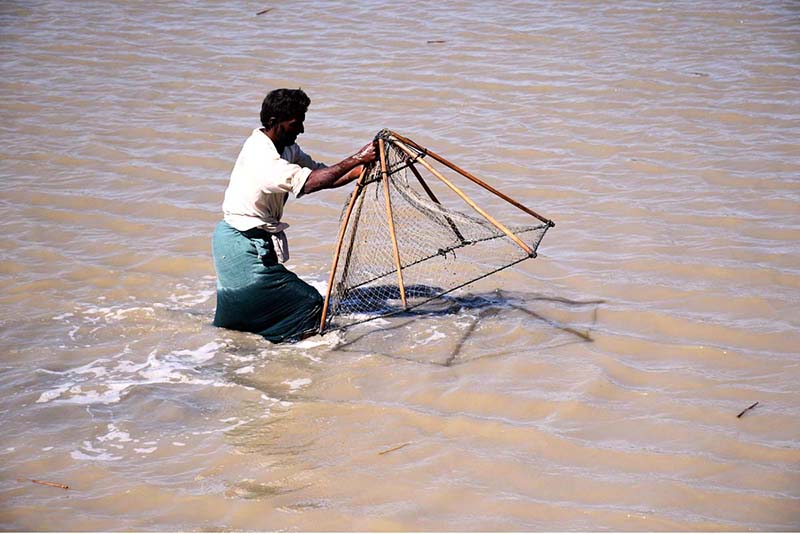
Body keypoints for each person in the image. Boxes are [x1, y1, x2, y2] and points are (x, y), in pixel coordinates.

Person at [212, 88, 376, 342]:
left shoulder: (286, 148)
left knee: (248, 324)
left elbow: (323, 175)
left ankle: (266, 353)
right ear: (274, 123)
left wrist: (363, 169)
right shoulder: (263, 157)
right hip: (238, 245)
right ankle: (293, 357)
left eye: (302, 120)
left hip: (254, 241)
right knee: (307, 303)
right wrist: (357, 157)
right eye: (295, 122)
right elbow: (310, 182)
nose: (301, 129)